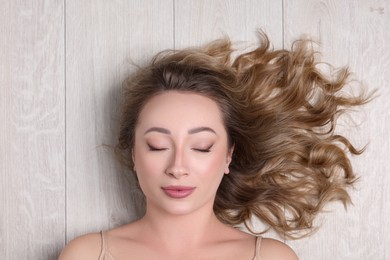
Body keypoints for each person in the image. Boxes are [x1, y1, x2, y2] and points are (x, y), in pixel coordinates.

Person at [59, 31, 368, 259]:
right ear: (134, 154)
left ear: (228, 156)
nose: (177, 167)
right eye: (156, 145)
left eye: (202, 146)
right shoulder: (86, 254)